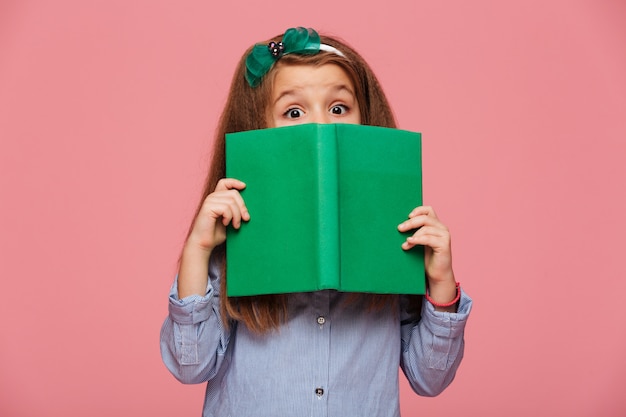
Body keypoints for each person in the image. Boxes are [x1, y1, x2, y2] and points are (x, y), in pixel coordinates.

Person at [160, 27, 472, 417]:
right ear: (259, 128)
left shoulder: (395, 241)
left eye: (338, 108)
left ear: (367, 119)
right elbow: (191, 367)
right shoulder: (234, 241)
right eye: (294, 112)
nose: (321, 125)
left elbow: (431, 380)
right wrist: (198, 250)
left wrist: (441, 284)